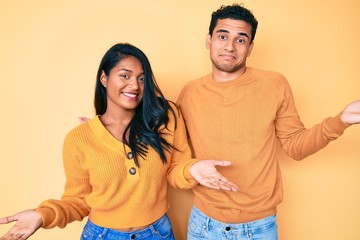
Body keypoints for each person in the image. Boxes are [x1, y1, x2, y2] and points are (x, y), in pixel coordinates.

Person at [0, 43, 238, 240]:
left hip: (158, 233)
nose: (135, 85)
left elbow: (176, 169)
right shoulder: (79, 139)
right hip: (102, 235)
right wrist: (43, 215)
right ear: (104, 78)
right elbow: (78, 201)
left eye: (142, 78)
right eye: (124, 75)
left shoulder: (165, 117)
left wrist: (192, 168)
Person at [177, 3, 360, 240]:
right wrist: (190, 169)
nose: (230, 46)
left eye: (241, 40)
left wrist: (340, 121)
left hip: (258, 227)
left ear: (250, 47)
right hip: (203, 224)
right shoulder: (190, 93)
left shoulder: (274, 84)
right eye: (222, 36)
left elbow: (295, 146)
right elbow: (175, 157)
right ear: (209, 40)